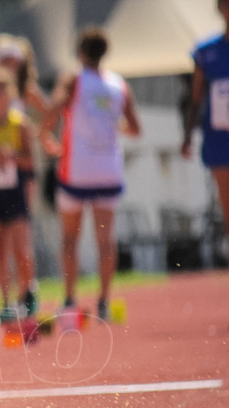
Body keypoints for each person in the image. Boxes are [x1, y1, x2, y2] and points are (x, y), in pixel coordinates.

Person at [42, 27, 141, 320]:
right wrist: (111, 126)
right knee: (105, 239)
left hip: (78, 169)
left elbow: (55, 106)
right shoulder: (119, 85)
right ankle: (103, 303)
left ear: (80, 53)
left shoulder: (73, 78)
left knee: (70, 238)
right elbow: (135, 129)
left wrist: (44, 134)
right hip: (108, 168)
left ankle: (70, 300)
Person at [0, 69, 36, 317]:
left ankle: (26, 295)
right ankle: (5, 303)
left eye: (1, 90)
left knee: (21, 249)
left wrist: (11, 156)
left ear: (10, 94)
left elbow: (31, 162)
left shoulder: (20, 123)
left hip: (16, 192)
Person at [182, 0, 229, 250]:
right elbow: (196, 98)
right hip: (220, 138)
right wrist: (187, 136)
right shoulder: (205, 51)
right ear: (220, 9)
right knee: (227, 201)